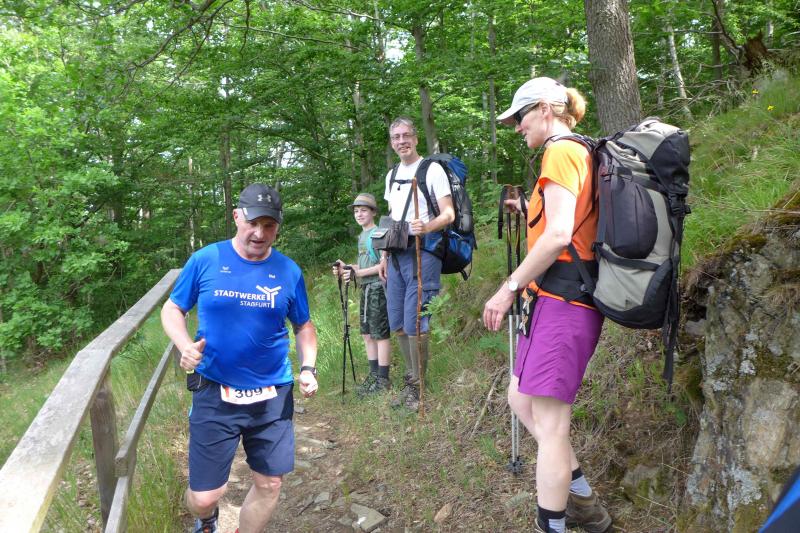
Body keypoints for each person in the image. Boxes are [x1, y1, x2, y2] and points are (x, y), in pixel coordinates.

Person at [482, 77, 612, 533]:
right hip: (555, 299)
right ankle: (582, 497)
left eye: (519, 117)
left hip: (566, 301)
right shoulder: (577, 150)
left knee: (552, 428)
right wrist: (527, 210)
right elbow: (566, 224)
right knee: (520, 398)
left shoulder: (561, 150)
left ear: (543, 109)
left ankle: (553, 523)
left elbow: (559, 235)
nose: (517, 127)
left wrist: (509, 287)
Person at [161, 183, 319, 533]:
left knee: (270, 484)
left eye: (269, 226)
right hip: (215, 388)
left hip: (272, 393)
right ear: (236, 217)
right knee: (205, 497)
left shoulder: (289, 271)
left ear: (278, 226)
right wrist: (184, 345)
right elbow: (173, 309)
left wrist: (308, 367)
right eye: (253, 223)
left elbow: (304, 325)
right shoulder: (206, 259)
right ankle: (207, 519)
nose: (259, 234)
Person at [378, 117, 455, 412]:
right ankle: (411, 381)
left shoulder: (431, 170)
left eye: (406, 135)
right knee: (397, 321)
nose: (402, 141)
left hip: (424, 252)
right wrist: (384, 256)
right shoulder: (392, 175)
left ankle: (418, 389)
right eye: (396, 137)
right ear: (391, 142)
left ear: (415, 137)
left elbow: (448, 213)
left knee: (415, 320)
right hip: (396, 254)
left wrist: (427, 226)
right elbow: (391, 218)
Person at [332, 192, 392, 396]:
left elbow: (383, 266)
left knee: (380, 333)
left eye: (363, 210)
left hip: (378, 288)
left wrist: (357, 273)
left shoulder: (379, 233)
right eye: (356, 211)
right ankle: (373, 375)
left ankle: (383, 379)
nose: (359, 214)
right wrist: (347, 268)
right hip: (366, 288)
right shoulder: (362, 236)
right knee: (367, 334)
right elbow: (364, 266)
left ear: (373, 212)